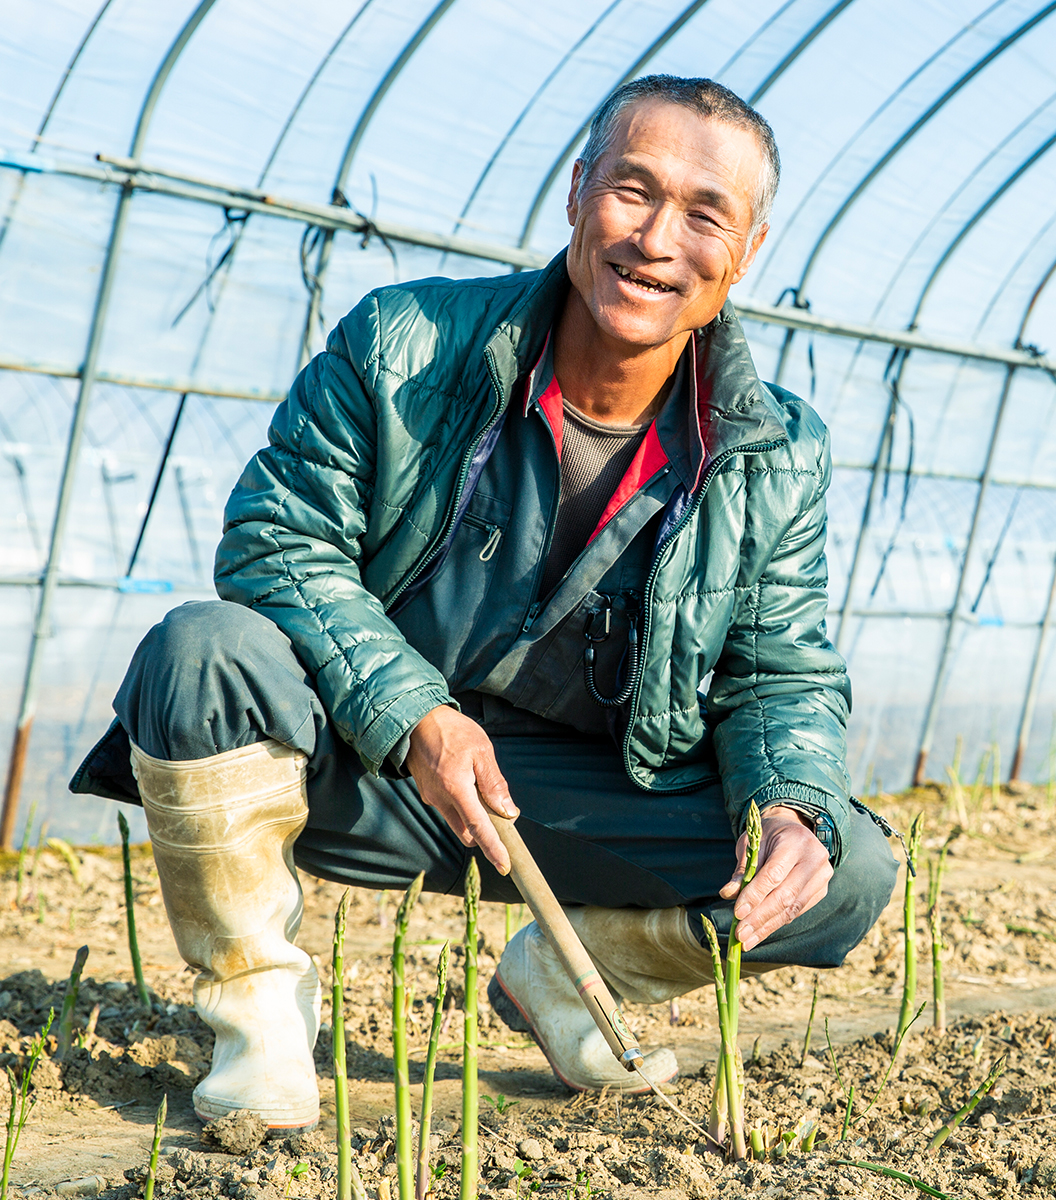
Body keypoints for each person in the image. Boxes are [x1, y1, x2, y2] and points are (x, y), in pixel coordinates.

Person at [70, 75, 899, 1129]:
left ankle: (569, 973)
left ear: (749, 247)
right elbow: (279, 539)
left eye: (704, 212)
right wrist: (416, 713)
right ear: (576, 192)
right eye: (631, 190)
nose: (656, 238)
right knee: (200, 649)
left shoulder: (774, 449)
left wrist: (789, 804)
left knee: (844, 865)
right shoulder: (405, 342)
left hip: (567, 805)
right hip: (365, 762)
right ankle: (261, 1035)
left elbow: (774, 671)